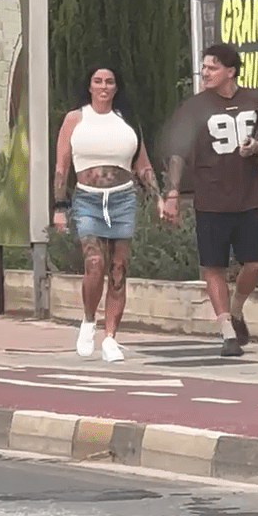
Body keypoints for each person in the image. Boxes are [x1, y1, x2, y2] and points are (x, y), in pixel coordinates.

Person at [162, 43, 258, 356]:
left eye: (212, 67)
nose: (205, 73)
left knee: (255, 262)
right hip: (210, 197)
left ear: (230, 71)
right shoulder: (195, 106)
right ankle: (226, 330)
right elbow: (178, 152)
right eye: (204, 67)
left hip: (248, 196)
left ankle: (237, 309)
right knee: (212, 265)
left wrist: (257, 147)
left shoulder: (255, 100)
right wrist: (172, 192)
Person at [53, 65, 163, 362]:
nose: (103, 86)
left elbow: (143, 165)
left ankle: (111, 336)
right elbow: (62, 166)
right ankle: (89, 320)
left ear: (116, 87)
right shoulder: (75, 119)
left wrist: (158, 198)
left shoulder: (126, 122)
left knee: (118, 270)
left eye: (109, 82)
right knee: (94, 262)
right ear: (89, 86)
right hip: (87, 199)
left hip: (122, 199)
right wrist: (60, 207)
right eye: (98, 81)